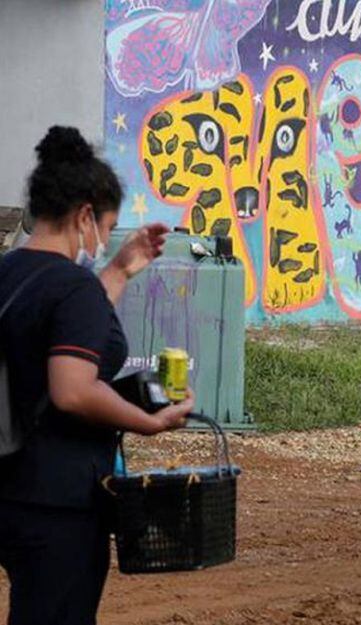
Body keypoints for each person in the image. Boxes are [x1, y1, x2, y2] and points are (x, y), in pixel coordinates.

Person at [0, 126, 194, 624]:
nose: (104, 240)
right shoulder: (73, 289)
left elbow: (65, 328)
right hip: (59, 501)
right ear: (84, 215)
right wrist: (150, 422)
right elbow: (71, 390)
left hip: (9, 489)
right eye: (106, 227)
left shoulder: (10, 272)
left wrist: (118, 271)